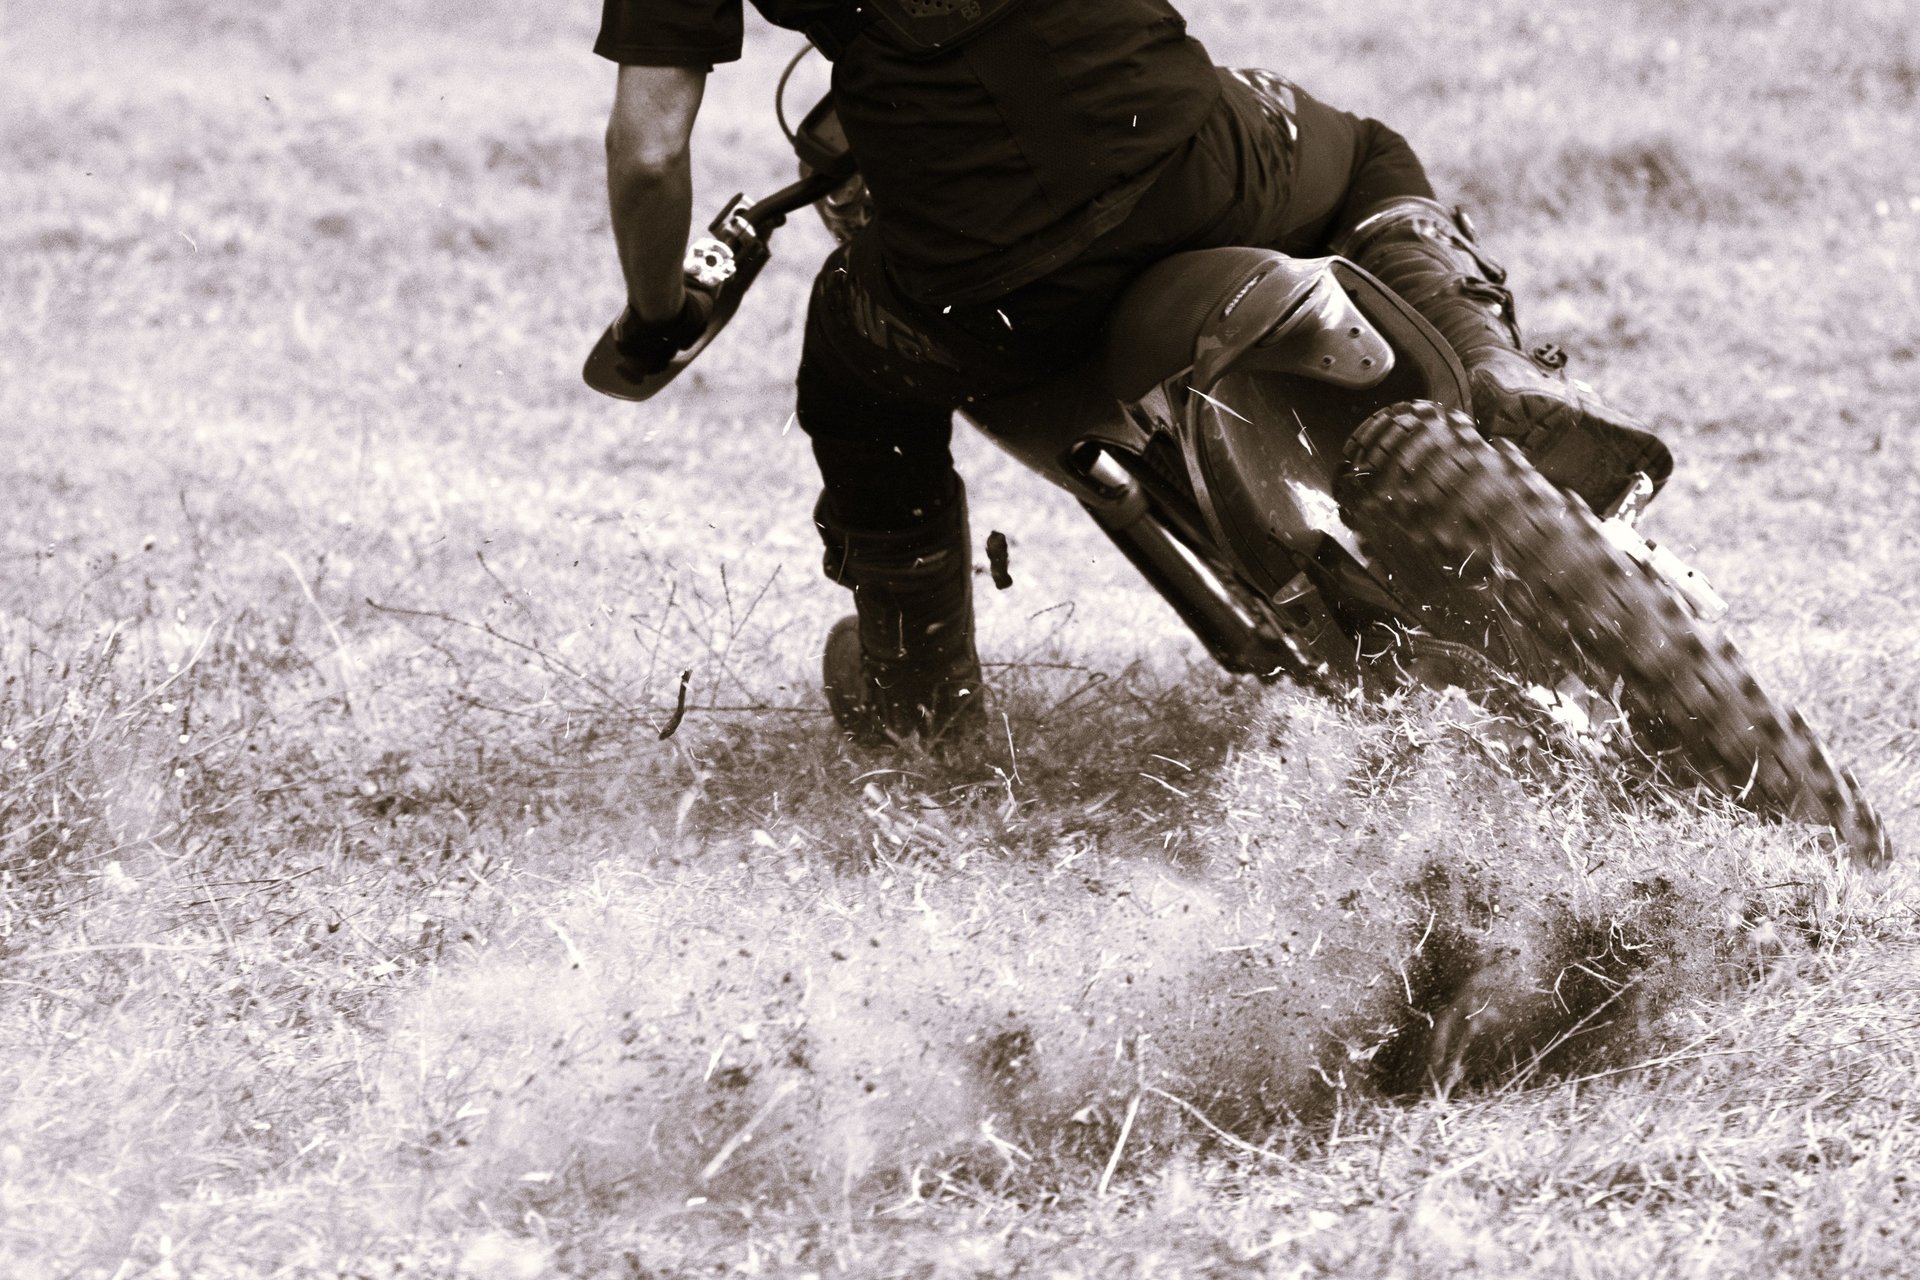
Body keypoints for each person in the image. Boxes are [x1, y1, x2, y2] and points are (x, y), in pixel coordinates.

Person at [591, 0, 1672, 746]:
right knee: (1369, 157)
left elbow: (648, 152)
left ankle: (922, 706)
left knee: (852, 369)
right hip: (1194, 159)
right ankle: (1494, 373)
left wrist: (657, 317)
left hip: (981, 276)